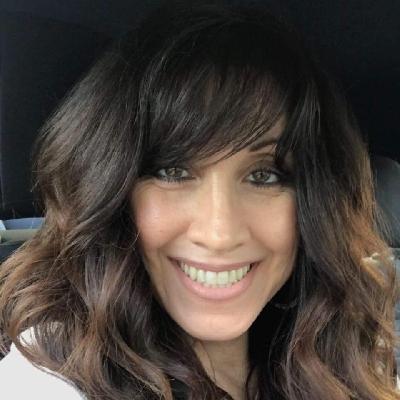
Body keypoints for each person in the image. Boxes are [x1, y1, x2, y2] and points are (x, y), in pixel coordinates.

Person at [0, 1, 399, 399]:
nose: (219, 234)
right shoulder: (53, 372)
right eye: (172, 171)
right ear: (113, 190)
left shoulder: (346, 356)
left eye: (264, 176)